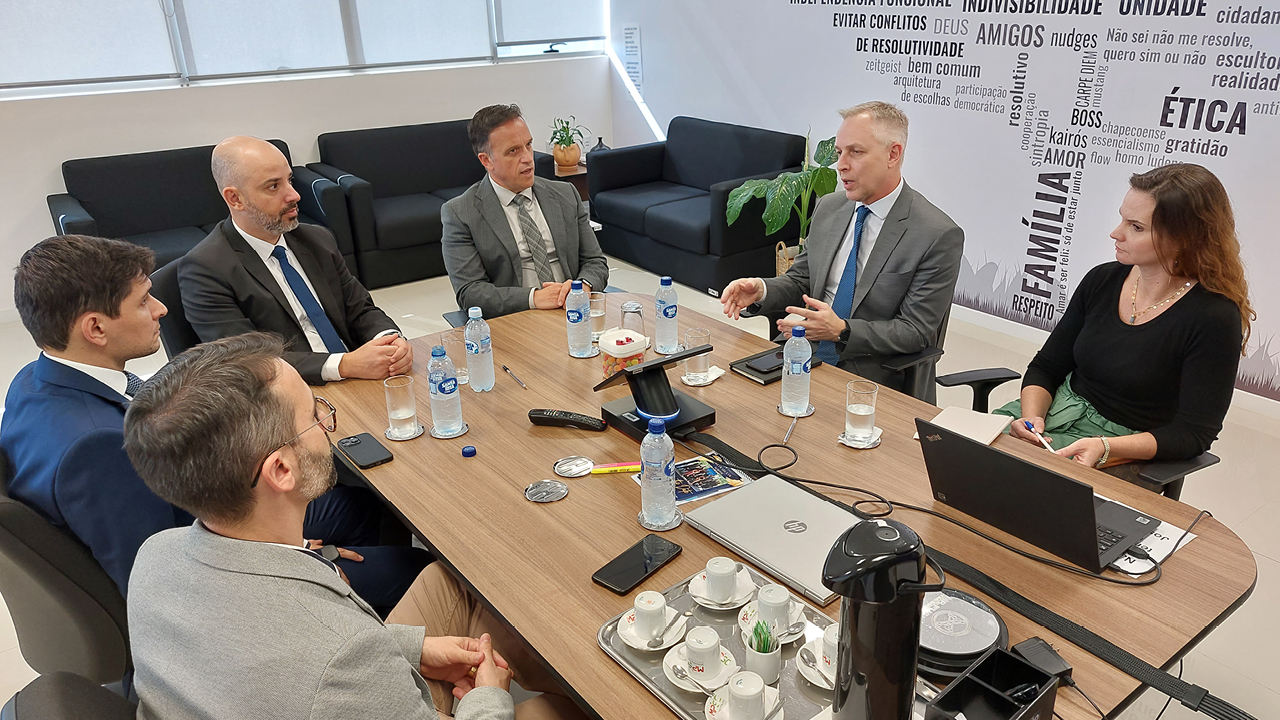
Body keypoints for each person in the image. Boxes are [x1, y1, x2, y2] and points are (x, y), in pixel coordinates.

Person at [123, 333, 584, 720]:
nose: (328, 424)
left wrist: (414, 649)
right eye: (314, 417)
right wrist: (488, 696)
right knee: (573, 709)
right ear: (281, 470)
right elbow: (334, 660)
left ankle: (568, 663)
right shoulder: (338, 659)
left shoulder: (157, 554)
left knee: (452, 582)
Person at [2, 234, 428, 613]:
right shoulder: (96, 450)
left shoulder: (34, 380)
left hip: (207, 521)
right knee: (421, 569)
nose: (161, 309)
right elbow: (167, 577)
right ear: (95, 327)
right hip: (221, 582)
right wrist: (294, 558)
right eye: (143, 301)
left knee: (360, 503)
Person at [997, 163, 1251, 466]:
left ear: (1184, 238)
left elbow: (1193, 433)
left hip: (1124, 447)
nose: (1116, 233)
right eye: (1122, 219)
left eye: (1136, 227)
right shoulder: (1102, 280)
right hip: (1052, 417)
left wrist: (1106, 447)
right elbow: (1047, 367)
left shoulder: (1213, 317)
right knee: (952, 452)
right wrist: (1030, 420)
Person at [720, 101, 963, 399]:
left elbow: (915, 331)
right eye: (839, 153)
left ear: (893, 154)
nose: (841, 165)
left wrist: (842, 330)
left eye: (856, 152)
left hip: (871, 373)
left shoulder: (936, 234)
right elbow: (801, 281)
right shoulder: (830, 207)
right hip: (803, 352)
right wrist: (761, 290)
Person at [180, 135, 413, 385]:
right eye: (273, 186)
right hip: (286, 395)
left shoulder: (316, 239)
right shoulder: (205, 269)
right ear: (235, 199)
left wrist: (389, 339)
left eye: (289, 180)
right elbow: (248, 360)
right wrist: (344, 365)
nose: (294, 195)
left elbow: (360, 308)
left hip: (358, 378)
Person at [441, 104, 609, 318]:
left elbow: (595, 261)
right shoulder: (460, 213)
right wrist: (534, 298)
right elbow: (470, 292)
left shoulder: (565, 194)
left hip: (575, 310)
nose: (528, 158)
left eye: (528, 145)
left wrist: (583, 287)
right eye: (513, 151)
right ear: (486, 160)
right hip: (517, 317)